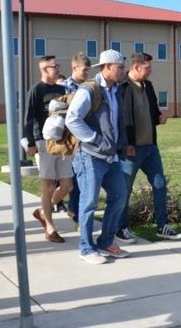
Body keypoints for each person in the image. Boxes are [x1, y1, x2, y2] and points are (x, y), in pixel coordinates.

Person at [65, 49, 129, 264]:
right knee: (89, 202)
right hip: (90, 155)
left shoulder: (116, 89)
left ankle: (106, 242)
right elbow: (72, 119)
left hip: (111, 156)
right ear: (108, 67)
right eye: (120, 67)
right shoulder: (89, 90)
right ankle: (85, 248)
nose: (123, 71)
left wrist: (119, 146)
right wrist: (95, 139)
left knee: (119, 197)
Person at [116, 52, 181, 243]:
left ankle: (162, 226)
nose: (150, 71)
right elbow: (121, 118)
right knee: (124, 189)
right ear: (136, 67)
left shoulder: (148, 86)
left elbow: (153, 112)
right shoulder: (122, 87)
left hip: (150, 148)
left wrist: (160, 117)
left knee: (160, 184)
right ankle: (120, 228)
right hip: (131, 149)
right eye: (147, 68)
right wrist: (126, 144)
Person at [25, 55, 73, 243]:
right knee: (48, 185)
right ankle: (50, 228)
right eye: (54, 66)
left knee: (67, 184)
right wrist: (30, 143)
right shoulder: (36, 90)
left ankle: (42, 211)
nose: (58, 68)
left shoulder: (62, 89)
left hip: (62, 141)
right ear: (45, 70)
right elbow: (28, 118)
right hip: (43, 141)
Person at [56, 52, 92, 222]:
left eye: (88, 70)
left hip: (84, 137)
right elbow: (57, 114)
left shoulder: (90, 87)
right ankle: (73, 209)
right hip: (69, 138)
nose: (86, 74)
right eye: (84, 70)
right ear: (74, 68)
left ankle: (75, 209)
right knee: (72, 177)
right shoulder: (63, 87)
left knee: (81, 175)